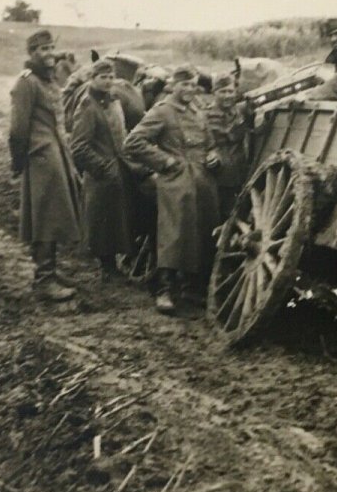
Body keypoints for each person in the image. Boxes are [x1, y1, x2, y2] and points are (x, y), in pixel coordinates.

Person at [122, 65, 219, 315]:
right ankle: (163, 290)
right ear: (173, 85)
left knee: (200, 233)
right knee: (173, 233)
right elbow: (133, 142)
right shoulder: (163, 111)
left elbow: (210, 142)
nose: (189, 89)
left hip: (202, 180)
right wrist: (164, 161)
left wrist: (213, 154)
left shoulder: (198, 110)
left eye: (193, 85)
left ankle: (190, 289)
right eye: (184, 84)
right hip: (176, 180)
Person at [9, 29, 83, 302]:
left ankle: (49, 270)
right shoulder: (26, 83)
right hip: (41, 157)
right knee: (45, 216)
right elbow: (18, 129)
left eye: (51, 48)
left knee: (53, 214)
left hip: (56, 154)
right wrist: (18, 161)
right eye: (42, 49)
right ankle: (43, 279)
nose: (49, 53)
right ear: (32, 53)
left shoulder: (48, 80)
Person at [70, 59, 135, 282]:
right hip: (101, 174)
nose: (108, 81)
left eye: (111, 77)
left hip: (118, 168)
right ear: (92, 78)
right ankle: (107, 268)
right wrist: (102, 168)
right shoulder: (88, 106)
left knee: (117, 220)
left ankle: (115, 266)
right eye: (102, 77)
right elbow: (79, 147)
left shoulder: (114, 101)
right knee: (103, 223)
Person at [204, 73, 251, 223]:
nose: (227, 96)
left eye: (230, 91)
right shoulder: (204, 115)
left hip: (239, 171)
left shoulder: (239, 111)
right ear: (214, 92)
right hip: (216, 175)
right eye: (222, 91)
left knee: (239, 212)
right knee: (215, 216)